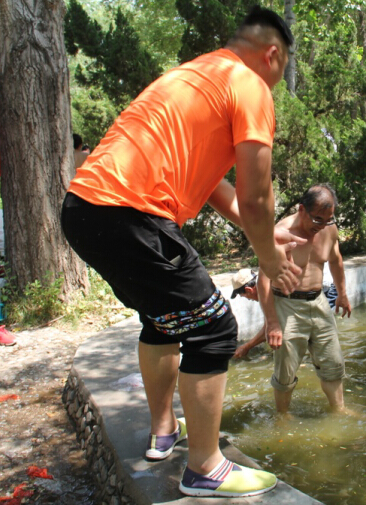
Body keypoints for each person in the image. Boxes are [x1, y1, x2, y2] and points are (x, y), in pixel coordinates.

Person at [61, 7, 303, 498]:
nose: (278, 81)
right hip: (131, 213)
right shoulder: (250, 84)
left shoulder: (195, 75)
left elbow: (214, 185)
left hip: (84, 208)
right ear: (272, 54)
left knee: (164, 319)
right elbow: (257, 196)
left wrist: (264, 234)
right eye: (283, 68)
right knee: (214, 328)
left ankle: (164, 431)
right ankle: (205, 470)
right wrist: (269, 260)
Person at [258, 184, 351, 415]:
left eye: (328, 219)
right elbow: (263, 282)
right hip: (286, 303)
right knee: (286, 370)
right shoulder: (280, 233)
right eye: (317, 219)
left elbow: (336, 260)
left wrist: (342, 294)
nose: (322, 225)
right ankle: (283, 417)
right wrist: (272, 323)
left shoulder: (328, 229)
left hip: (319, 301)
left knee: (333, 362)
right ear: (301, 209)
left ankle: (339, 410)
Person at [230, 269, 338, 359]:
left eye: (246, 297)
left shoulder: (269, 290)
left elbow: (268, 328)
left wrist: (245, 347)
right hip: (314, 290)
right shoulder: (266, 283)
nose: (249, 300)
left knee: (322, 342)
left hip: (324, 291)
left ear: (249, 290)